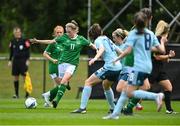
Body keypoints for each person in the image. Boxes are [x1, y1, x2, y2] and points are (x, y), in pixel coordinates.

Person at [103, 11, 166, 120]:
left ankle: (156, 96)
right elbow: (162, 50)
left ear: (135, 22)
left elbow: (127, 51)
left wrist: (117, 58)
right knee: (126, 91)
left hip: (137, 67)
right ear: (146, 22)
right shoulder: (150, 34)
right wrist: (163, 42)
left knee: (129, 92)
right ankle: (115, 114)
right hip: (148, 67)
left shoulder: (133, 34)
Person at [30, 20, 96, 108]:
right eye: (67, 31)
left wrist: (98, 50)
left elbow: (91, 44)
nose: (67, 33)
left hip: (72, 64)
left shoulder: (81, 39)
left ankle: (56, 101)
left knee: (64, 81)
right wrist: (38, 41)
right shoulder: (64, 37)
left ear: (74, 30)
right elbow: (51, 41)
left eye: (69, 31)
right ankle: (48, 95)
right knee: (63, 84)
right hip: (62, 63)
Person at [71, 23, 123, 114]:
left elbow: (102, 49)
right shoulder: (106, 38)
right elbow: (120, 51)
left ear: (92, 35)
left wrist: (94, 58)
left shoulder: (98, 40)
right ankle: (113, 108)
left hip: (110, 67)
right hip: (118, 67)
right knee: (106, 85)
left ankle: (82, 108)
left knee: (88, 82)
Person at [149, 20, 176, 114]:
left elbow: (162, 56)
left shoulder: (163, 40)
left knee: (168, 87)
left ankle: (169, 110)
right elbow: (157, 56)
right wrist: (168, 56)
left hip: (159, 69)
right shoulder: (158, 38)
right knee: (144, 89)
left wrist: (168, 57)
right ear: (166, 30)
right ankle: (129, 105)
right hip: (153, 68)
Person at [8, 26, 31, 98]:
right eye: (15, 32)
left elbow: (28, 51)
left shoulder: (25, 40)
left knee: (24, 77)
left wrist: (27, 60)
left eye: (18, 32)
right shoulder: (12, 41)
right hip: (15, 61)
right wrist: (10, 60)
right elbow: (11, 52)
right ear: (14, 33)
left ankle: (27, 94)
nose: (17, 33)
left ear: (20, 32)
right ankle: (16, 94)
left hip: (23, 61)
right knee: (15, 77)